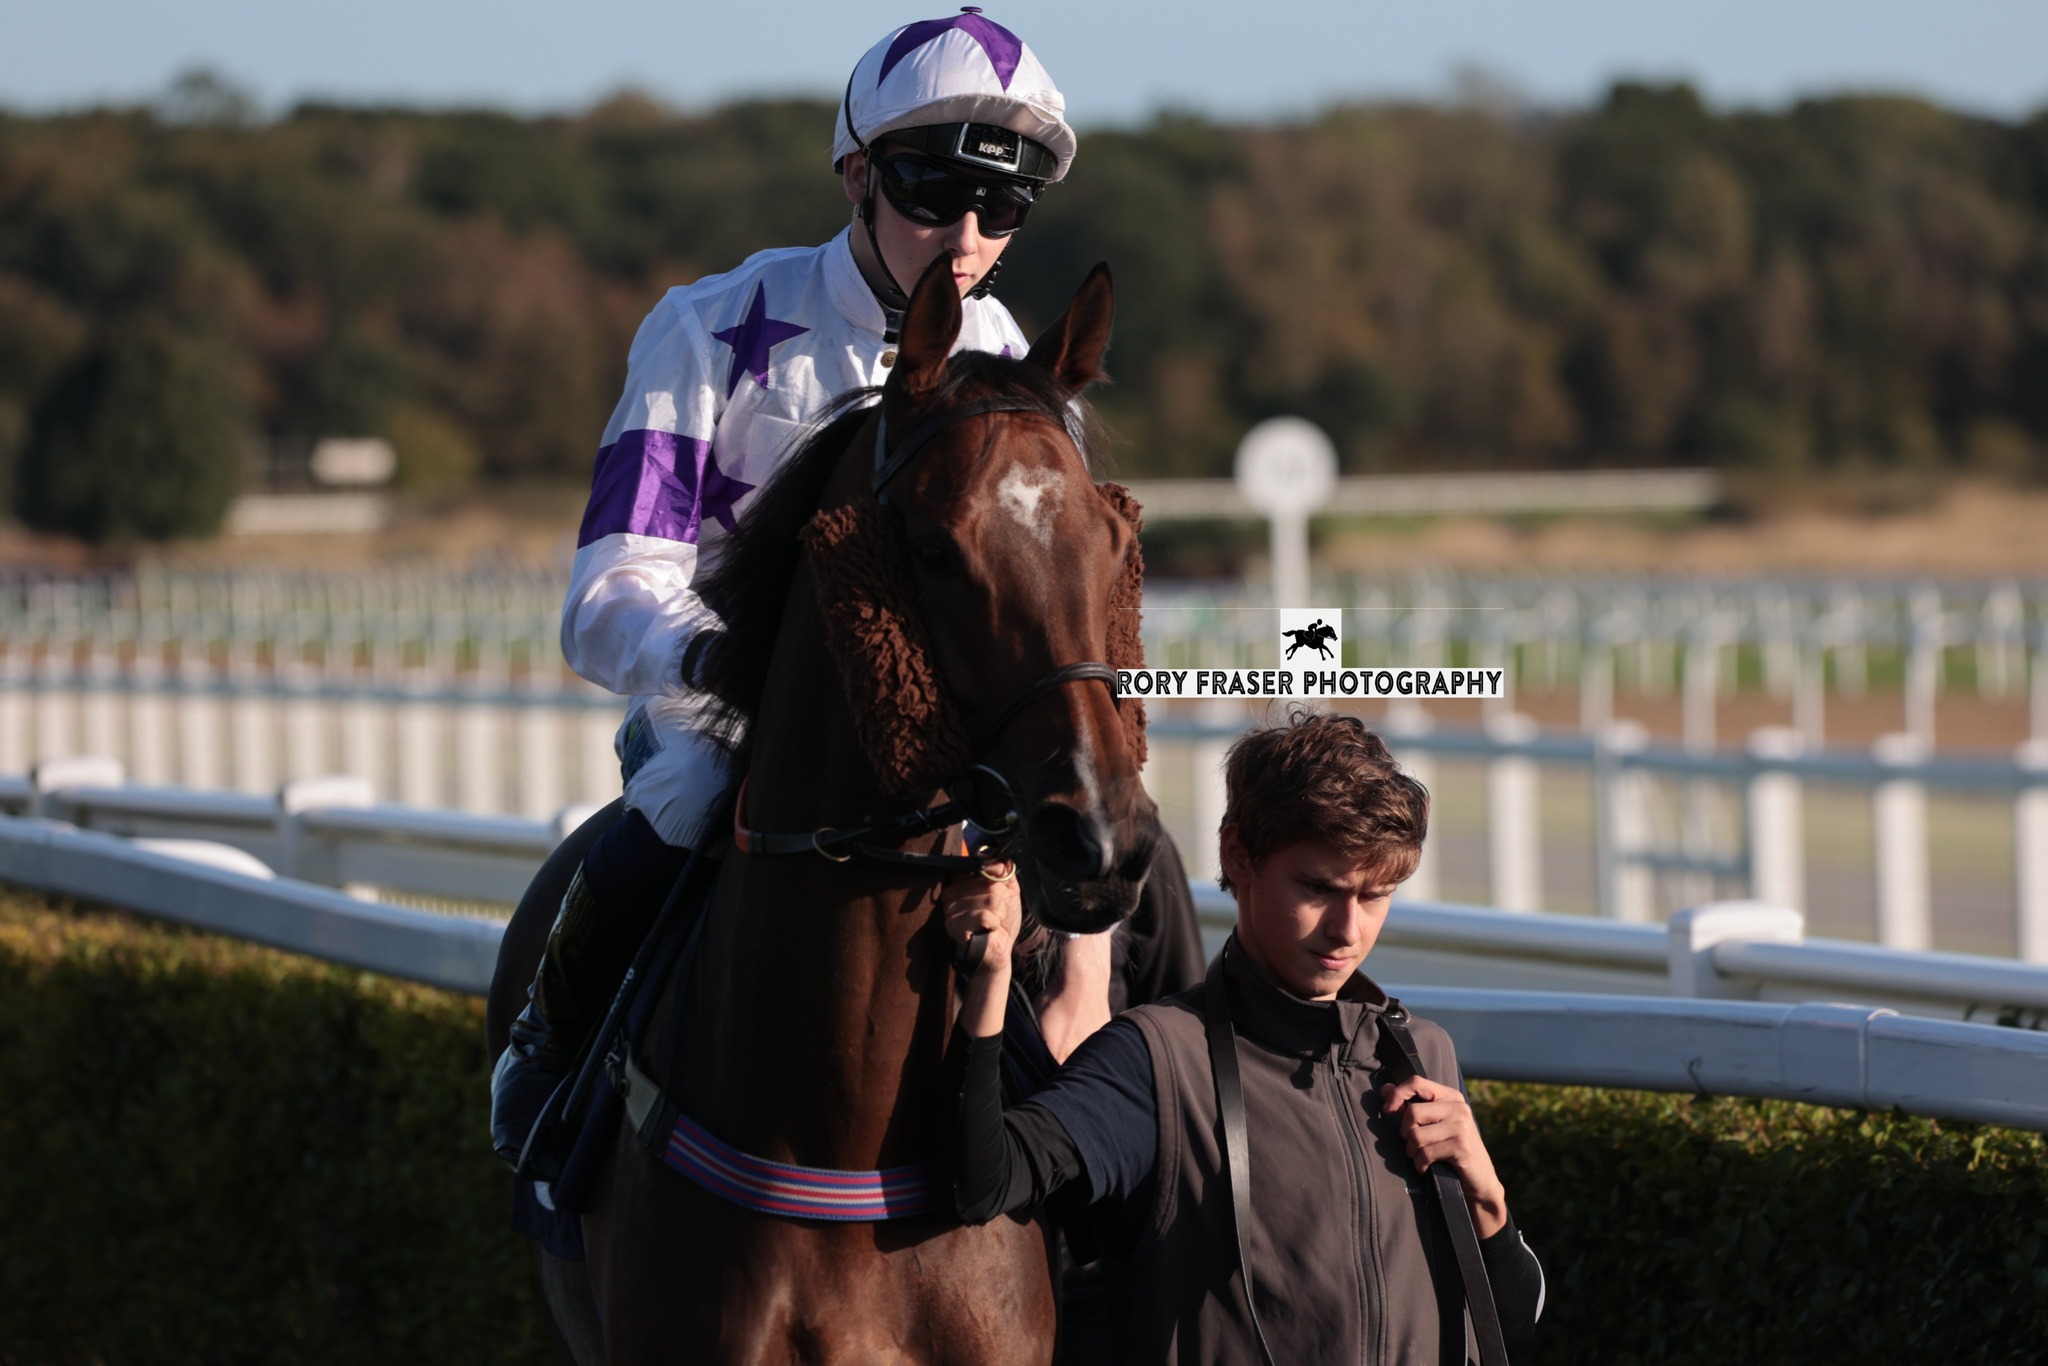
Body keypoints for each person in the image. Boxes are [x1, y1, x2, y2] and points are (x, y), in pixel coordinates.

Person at [490, 8, 1205, 1177]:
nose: (965, 237)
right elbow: (609, 587)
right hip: (725, 718)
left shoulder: (1017, 362)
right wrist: (732, 671)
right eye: (932, 192)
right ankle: (550, 1042)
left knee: (1122, 839)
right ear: (857, 174)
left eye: (1003, 208)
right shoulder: (708, 326)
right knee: (689, 788)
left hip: (953, 736)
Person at [942, 710, 1546, 1363]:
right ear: (1239, 856)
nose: (1348, 929)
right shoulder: (1156, 1059)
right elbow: (979, 1184)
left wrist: (1487, 1200)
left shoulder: (1423, 1054)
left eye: (1376, 895)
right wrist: (992, 974)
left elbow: (1512, 1326)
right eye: (1319, 887)